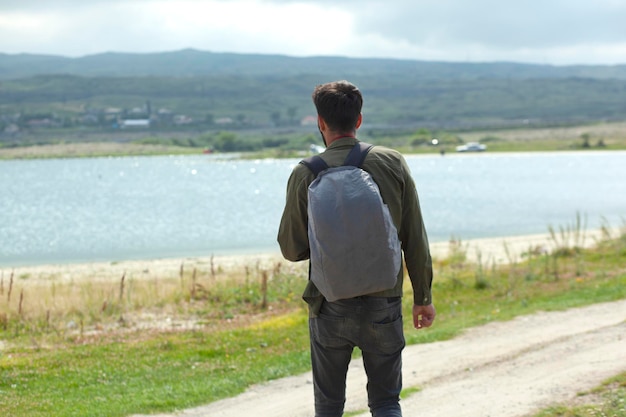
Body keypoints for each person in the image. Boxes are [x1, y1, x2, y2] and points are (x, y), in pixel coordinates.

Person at [277, 80, 435, 417]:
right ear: (359, 120)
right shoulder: (391, 162)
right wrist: (423, 297)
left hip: (329, 304)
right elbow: (414, 237)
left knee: (329, 406)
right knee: (386, 401)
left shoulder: (305, 173)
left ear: (321, 122)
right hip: (384, 300)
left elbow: (291, 250)